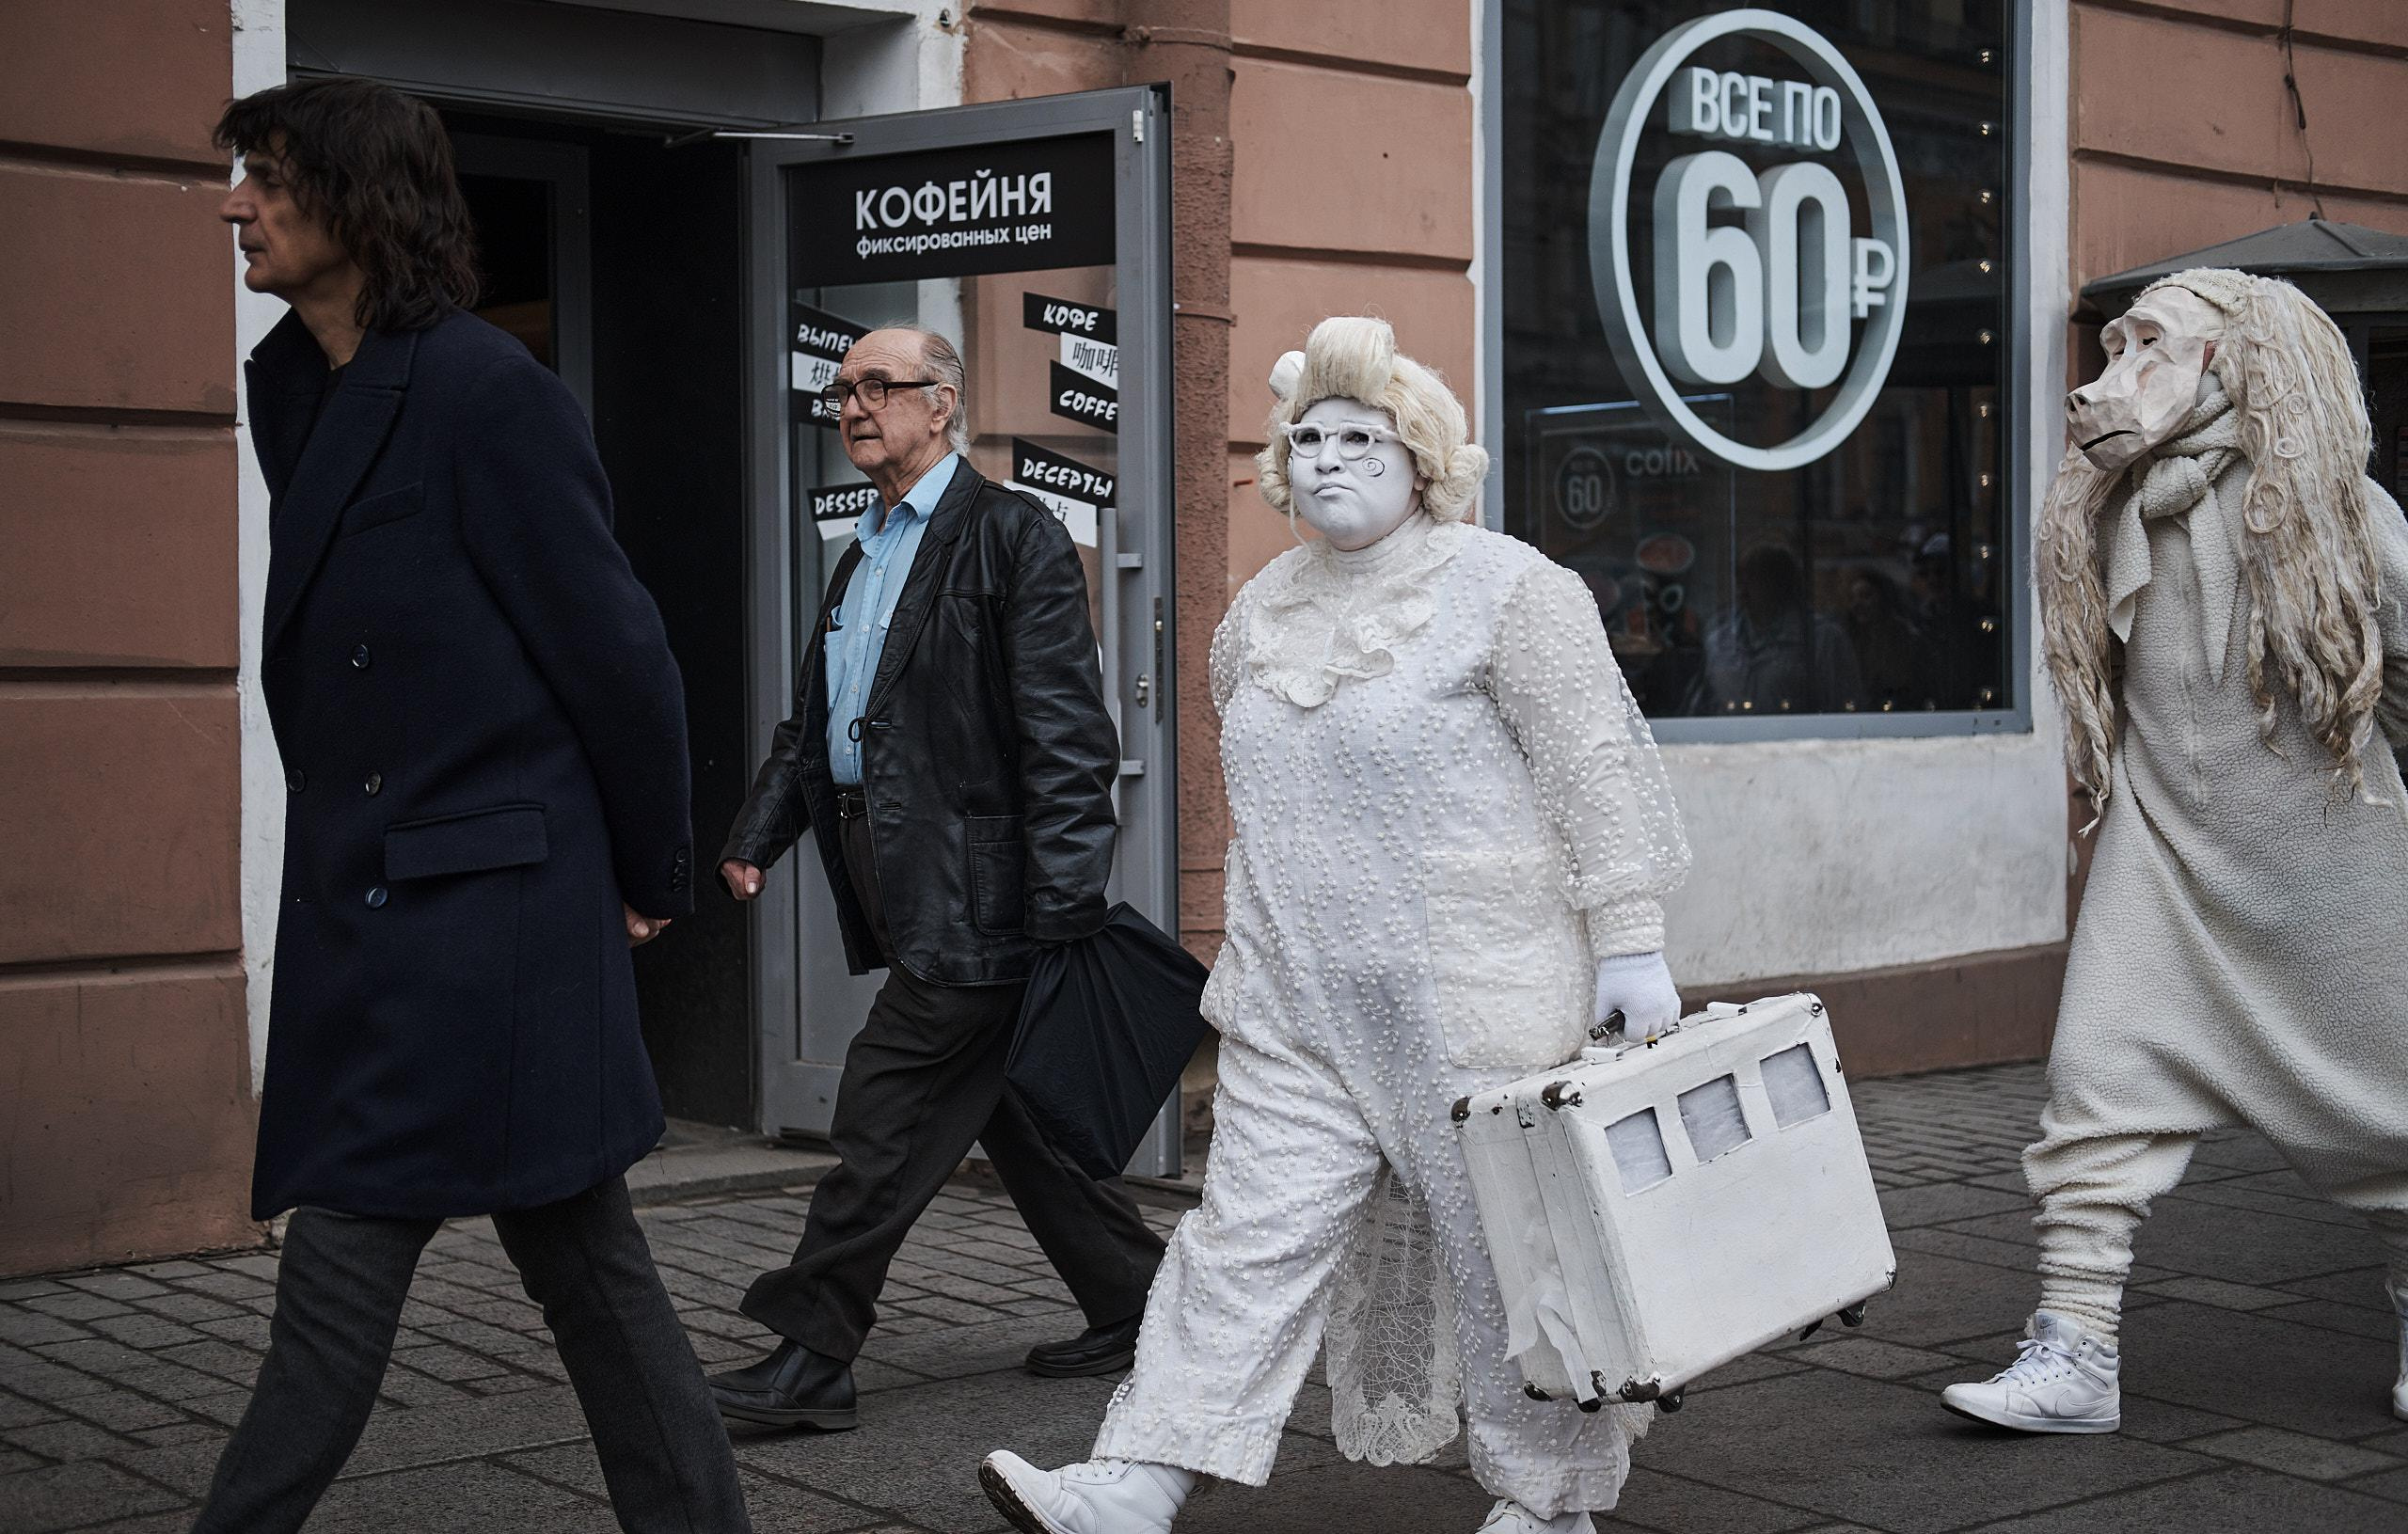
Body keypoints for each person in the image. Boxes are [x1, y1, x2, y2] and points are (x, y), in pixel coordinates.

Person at [979, 317, 1692, 1534]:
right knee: (1238, 1244)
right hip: (1299, 1000)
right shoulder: (1259, 611)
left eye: (1360, 435)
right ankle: (1136, 1479)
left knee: (1508, 1263)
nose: (1328, 458)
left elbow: (1597, 775)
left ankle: (1549, 1500)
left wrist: (1629, 940)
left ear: (1422, 454)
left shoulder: (1514, 591)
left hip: (1480, 997)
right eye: (1306, 437)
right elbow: (1254, 784)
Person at [195, 78, 749, 1533]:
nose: (237, 205)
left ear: (359, 196)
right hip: (385, 901)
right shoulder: (292, 381)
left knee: (344, 1274)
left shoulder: (489, 393)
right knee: (589, 1265)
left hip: (478, 917)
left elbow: (620, 656)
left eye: (265, 175)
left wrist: (649, 871)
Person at [1941, 269, 2408, 1435]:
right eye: (2114, 343)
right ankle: (2074, 1349)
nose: (2112, 375)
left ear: (2229, 364)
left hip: (2330, 863)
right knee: (2095, 1087)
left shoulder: (2334, 508)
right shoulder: (2111, 506)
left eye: (2153, 343)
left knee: (2394, 1115)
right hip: (2163, 851)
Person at [708, 325, 1165, 1431]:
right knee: (1012, 1110)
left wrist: (1059, 910)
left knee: (886, 1109)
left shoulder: (1010, 534)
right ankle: (1142, 1302)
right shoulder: (864, 549)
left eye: (880, 385)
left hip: (989, 897)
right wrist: (754, 835)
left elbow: (1068, 737)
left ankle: (812, 1354)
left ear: (943, 404)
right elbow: (816, 723)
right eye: (842, 389)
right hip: (907, 880)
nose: (855, 404)